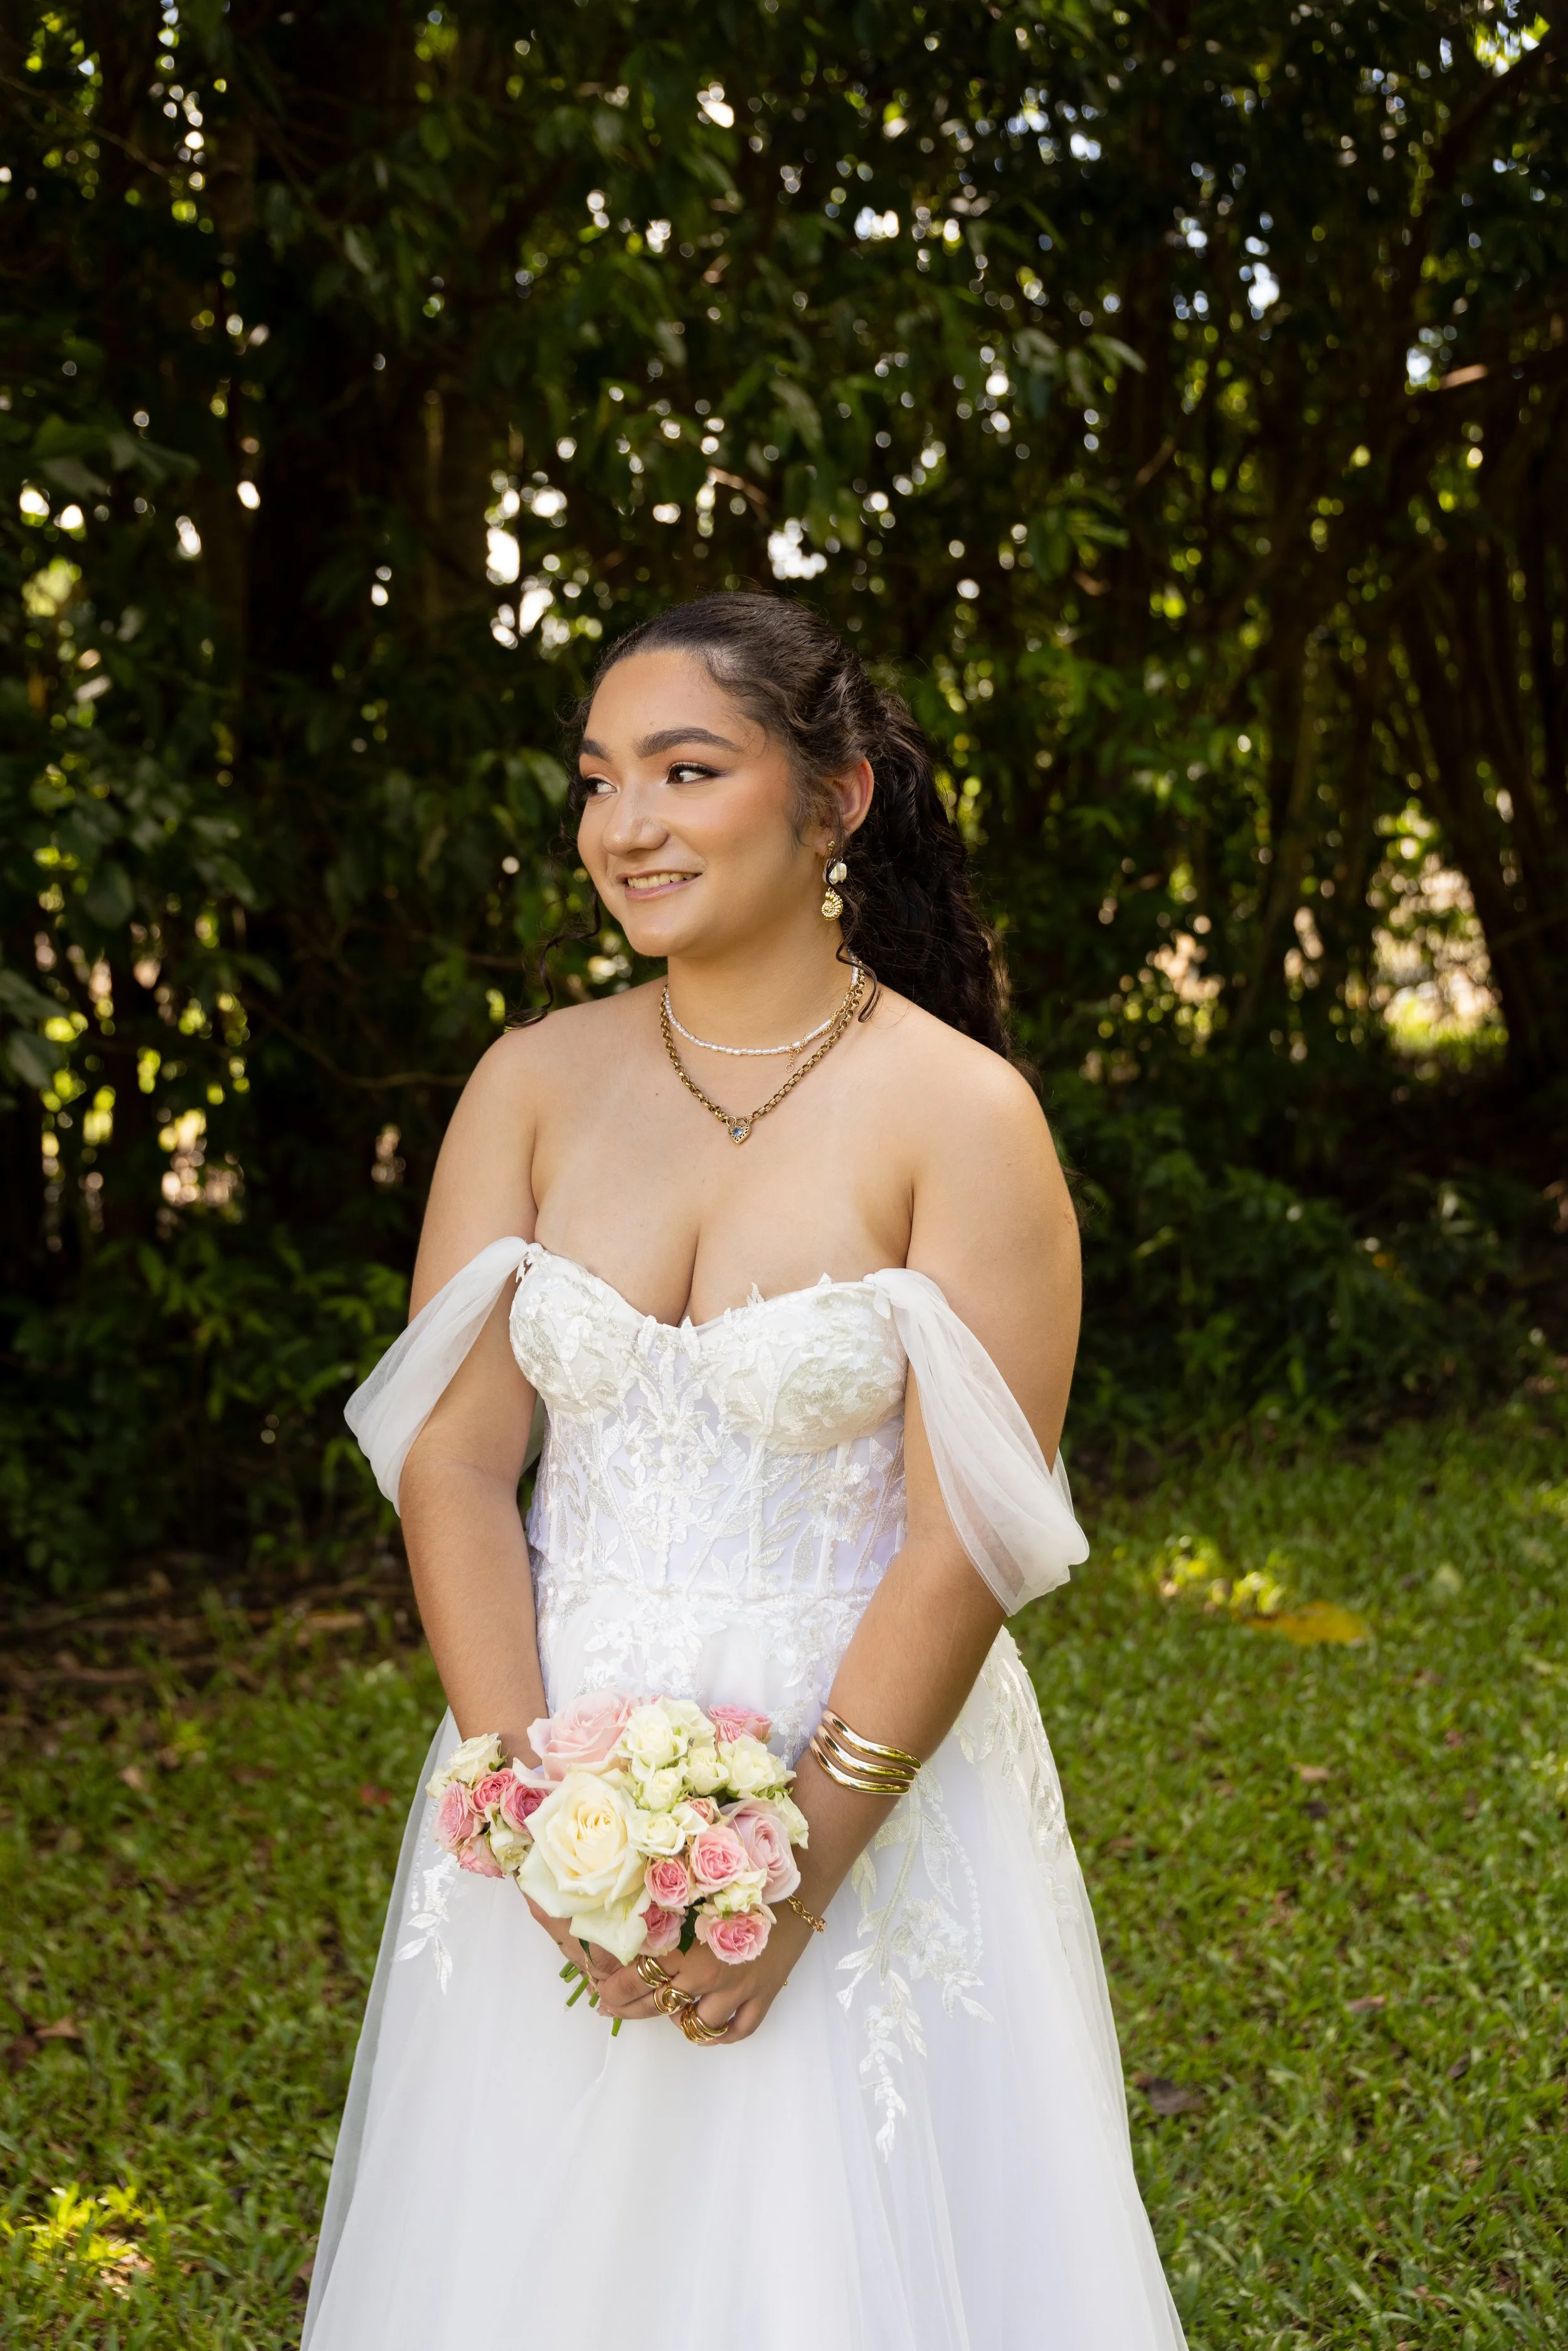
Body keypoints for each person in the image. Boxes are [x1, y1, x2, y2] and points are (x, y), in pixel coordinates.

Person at [302, 593, 1187, 2350]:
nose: (623, 824)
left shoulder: (960, 1113)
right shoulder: (531, 1082)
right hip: (553, 1739)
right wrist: (534, 1813)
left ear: (837, 795)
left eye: (685, 769)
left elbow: (967, 1536)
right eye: (596, 779)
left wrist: (798, 1864)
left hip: (859, 1762)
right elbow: (459, 1465)